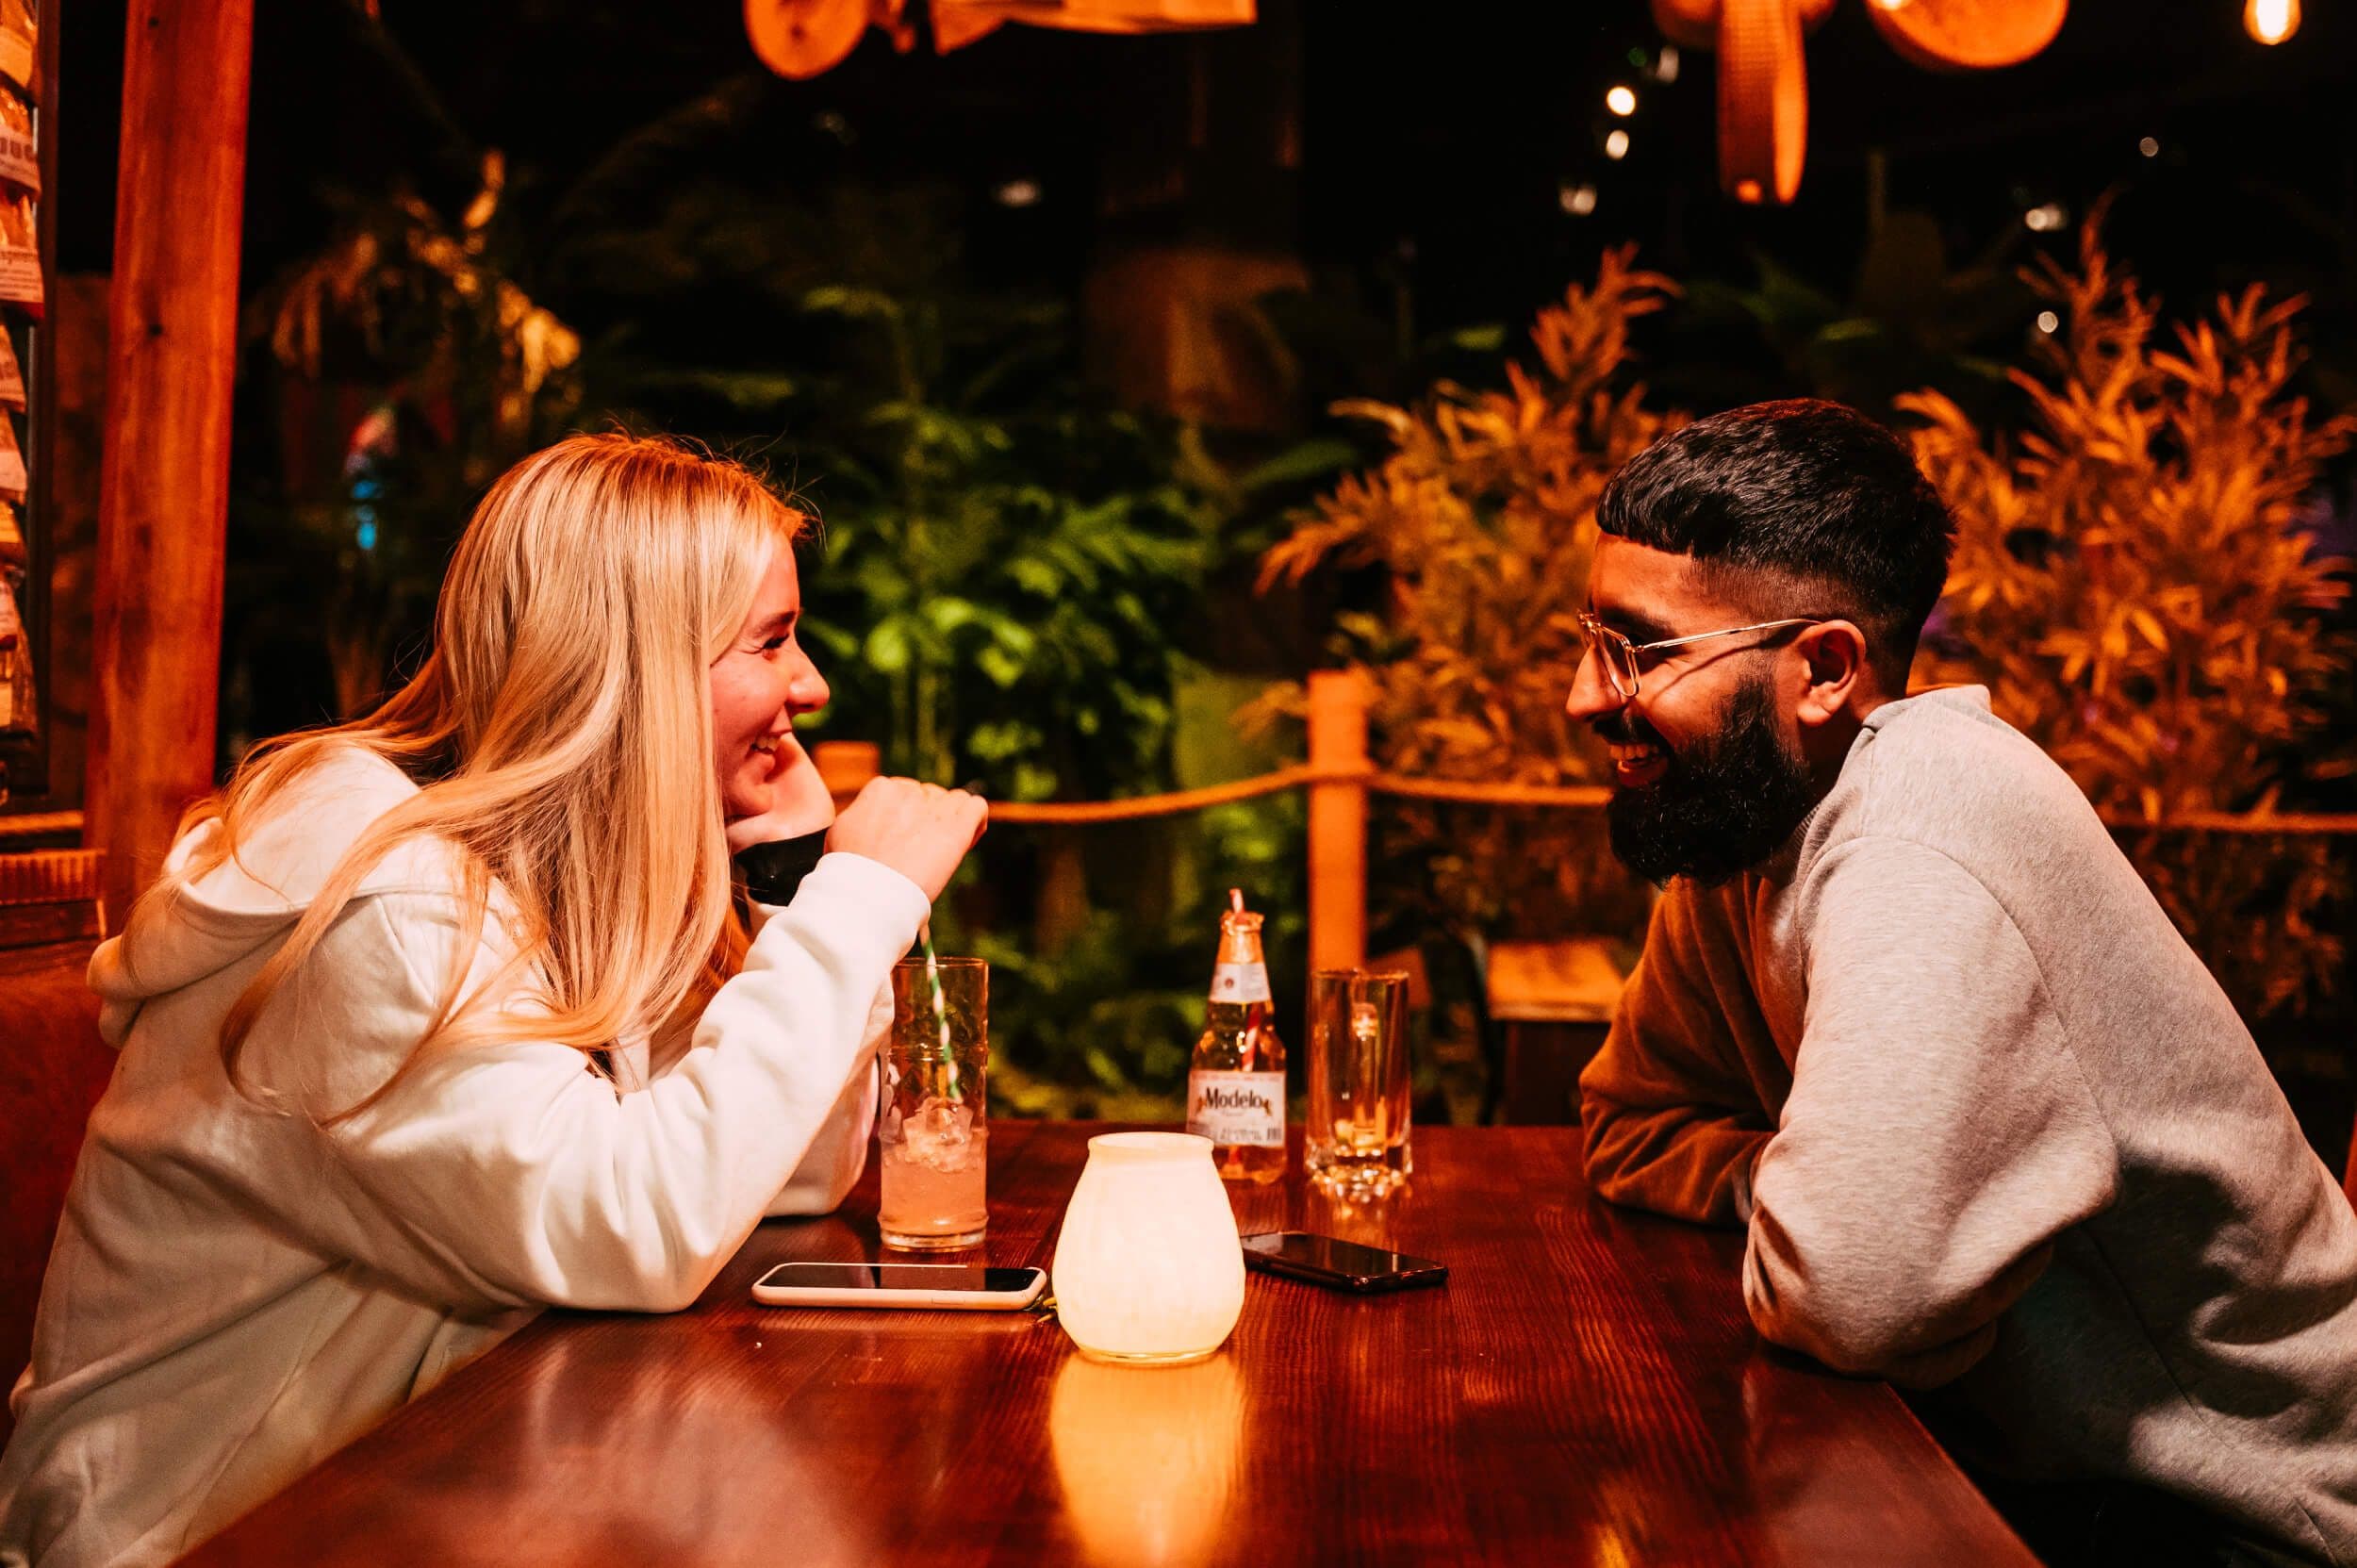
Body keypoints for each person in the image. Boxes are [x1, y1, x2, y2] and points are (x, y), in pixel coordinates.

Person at [0, 434, 988, 1568]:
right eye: (772, 640)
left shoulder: (545, 872)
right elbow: (639, 1226)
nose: (811, 685)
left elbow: (782, 1176)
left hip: (393, 1502)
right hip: (179, 1540)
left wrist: (792, 881)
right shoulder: (379, 902)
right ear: (638, 667)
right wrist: (855, 907)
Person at [1569, 400, 2357, 1565]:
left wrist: (1831, 1219)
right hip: (2007, 1471)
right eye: (1588, 638)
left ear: (1824, 668)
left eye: (1638, 650)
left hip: (2238, 1517)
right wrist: (1793, 1189)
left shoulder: (1920, 832)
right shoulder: (1745, 815)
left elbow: (1852, 1293)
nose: (1586, 695)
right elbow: (1630, 1122)